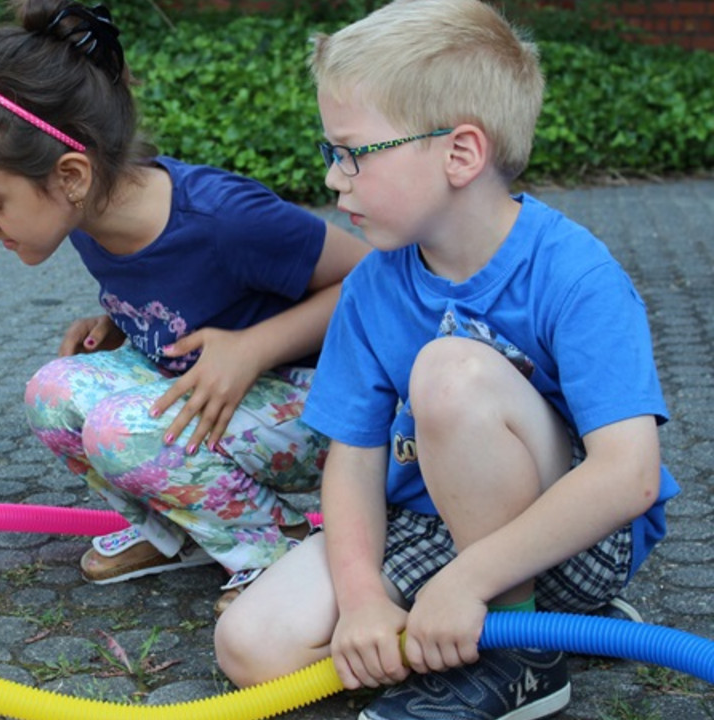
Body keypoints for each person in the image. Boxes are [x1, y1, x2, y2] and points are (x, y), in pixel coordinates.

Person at [213, 0, 681, 718]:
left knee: (448, 372)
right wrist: (365, 599)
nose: (335, 179)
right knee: (252, 646)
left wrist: (467, 583)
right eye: (330, 153)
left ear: (460, 153)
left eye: (353, 153)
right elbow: (355, 460)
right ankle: (503, 642)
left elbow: (629, 476)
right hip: (432, 530)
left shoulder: (575, 274)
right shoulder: (372, 285)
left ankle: (521, 658)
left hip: (569, 537)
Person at [0, 0, 369, 615]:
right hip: (215, 397)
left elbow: (374, 280)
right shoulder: (87, 216)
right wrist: (122, 318)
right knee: (51, 393)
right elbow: (178, 288)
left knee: (120, 431)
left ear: (72, 175)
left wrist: (254, 347)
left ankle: (280, 543)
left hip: (320, 406)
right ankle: (181, 532)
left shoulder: (226, 219)